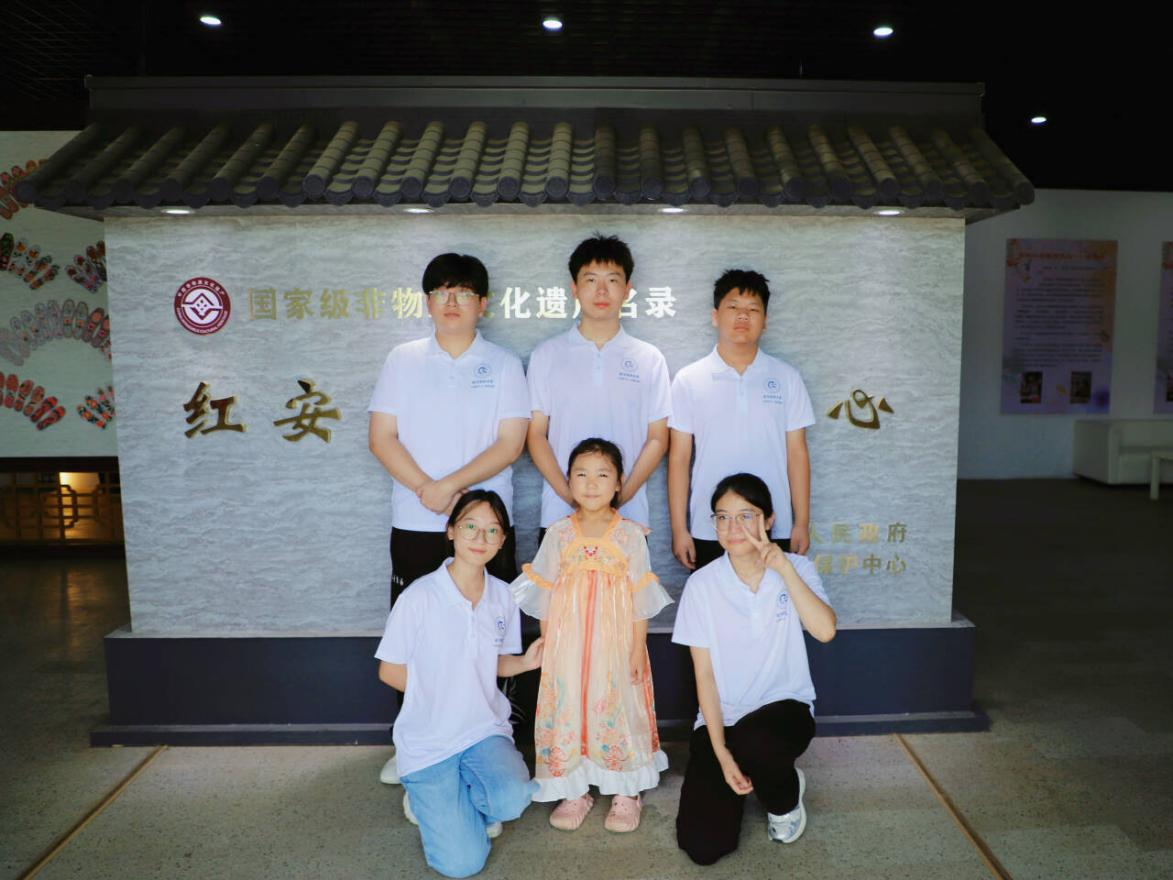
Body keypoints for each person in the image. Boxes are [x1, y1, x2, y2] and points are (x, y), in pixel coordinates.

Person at [368, 253, 530, 785]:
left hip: (483, 528)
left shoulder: (503, 364)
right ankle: (413, 744)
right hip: (416, 521)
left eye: (462, 292)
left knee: (489, 636)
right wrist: (426, 489)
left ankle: (492, 739)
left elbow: (510, 442)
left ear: (483, 303)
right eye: (441, 292)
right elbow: (382, 437)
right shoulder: (403, 360)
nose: (451, 302)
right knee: (416, 637)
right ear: (428, 301)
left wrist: (451, 492)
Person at [375, 490, 544, 878]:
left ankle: (459, 799)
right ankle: (423, 797)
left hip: (481, 730)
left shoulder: (503, 596)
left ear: (502, 539)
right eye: (470, 526)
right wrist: (443, 693)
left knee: (511, 801)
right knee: (462, 864)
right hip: (430, 741)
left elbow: (494, 663)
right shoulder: (419, 596)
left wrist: (525, 662)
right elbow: (389, 670)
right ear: (451, 531)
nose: (480, 538)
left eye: (491, 530)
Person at [671, 473, 836, 865]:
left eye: (746, 516)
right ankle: (752, 769)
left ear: (768, 520)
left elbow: (825, 631)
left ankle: (784, 799)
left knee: (756, 743)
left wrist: (784, 568)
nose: (733, 528)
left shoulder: (796, 567)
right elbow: (704, 676)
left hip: (784, 709)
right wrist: (721, 754)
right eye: (723, 517)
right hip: (723, 720)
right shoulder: (702, 585)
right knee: (703, 846)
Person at [511, 438, 673, 832]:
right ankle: (574, 789)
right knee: (569, 706)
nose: (591, 483)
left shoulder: (630, 535)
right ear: (568, 481)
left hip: (615, 643)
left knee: (616, 704)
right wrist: (550, 645)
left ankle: (625, 790)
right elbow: (545, 592)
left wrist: (636, 649)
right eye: (581, 474)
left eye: (602, 474)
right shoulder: (559, 533)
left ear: (618, 482)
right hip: (568, 644)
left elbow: (640, 596)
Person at [668, 269, 814, 572]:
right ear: (715, 316)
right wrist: (680, 529)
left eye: (753, 309)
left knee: (774, 598)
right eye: (733, 307)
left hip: (772, 524)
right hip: (710, 527)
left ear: (765, 320)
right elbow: (679, 458)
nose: (742, 316)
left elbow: (797, 454)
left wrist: (801, 522)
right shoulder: (690, 379)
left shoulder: (786, 378)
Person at [526, 235, 670, 533]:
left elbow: (657, 438)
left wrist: (618, 498)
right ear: (574, 288)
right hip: (560, 517)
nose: (601, 290)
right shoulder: (547, 355)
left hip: (628, 518)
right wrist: (571, 497)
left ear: (627, 289)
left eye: (612, 280)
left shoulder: (649, 358)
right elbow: (536, 434)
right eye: (591, 280)